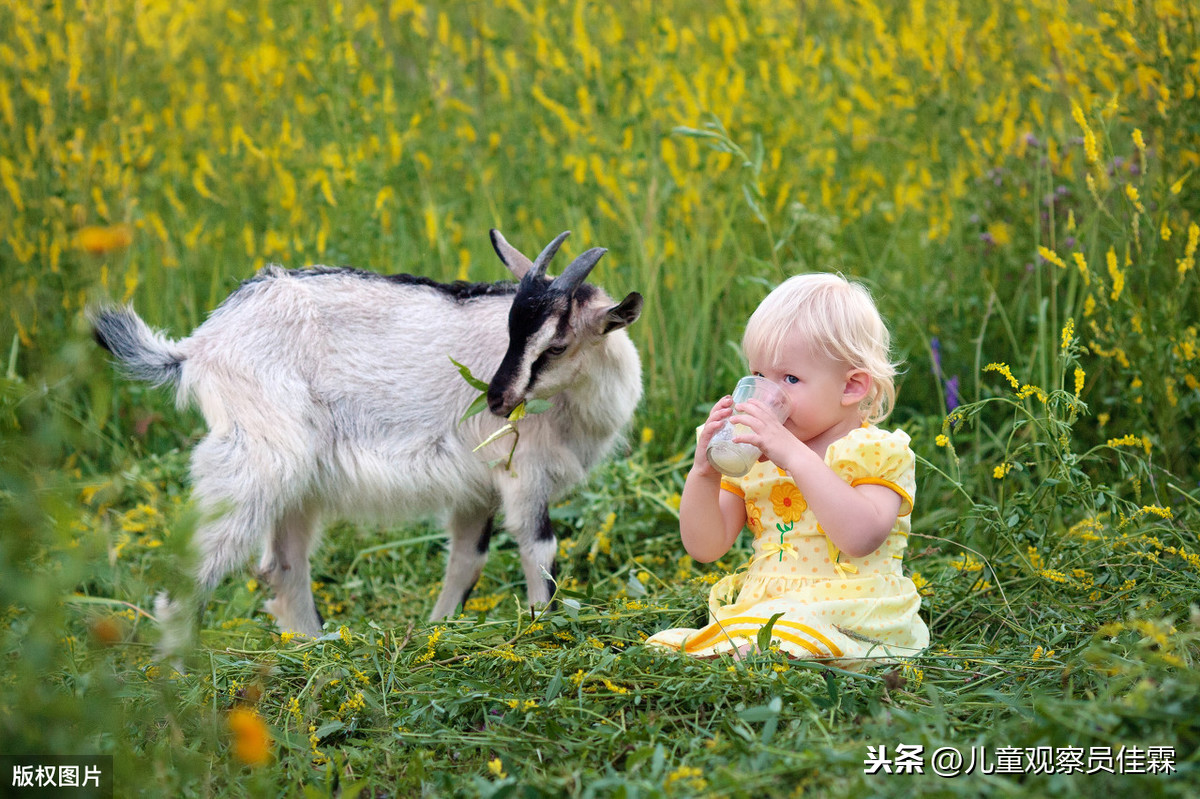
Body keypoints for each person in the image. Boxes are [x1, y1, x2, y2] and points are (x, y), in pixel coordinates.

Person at [646, 273, 929, 666]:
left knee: (780, 634)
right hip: (771, 606)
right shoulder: (754, 457)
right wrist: (704, 474)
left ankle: (770, 652)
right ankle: (758, 650)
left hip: (856, 609)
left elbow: (861, 537)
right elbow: (706, 546)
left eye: (790, 379)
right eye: (759, 376)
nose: (768, 393)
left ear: (851, 388)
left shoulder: (875, 451)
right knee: (707, 642)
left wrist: (794, 456)